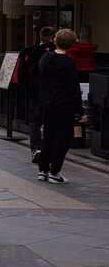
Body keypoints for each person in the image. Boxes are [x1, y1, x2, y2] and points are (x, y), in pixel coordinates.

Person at [36, 28, 84, 184]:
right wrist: (80, 111)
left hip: (47, 105)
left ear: (55, 40)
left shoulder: (45, 58)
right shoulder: (68, 63)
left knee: (48, 137)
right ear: (71, 44)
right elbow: (74, 89)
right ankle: (55, 172)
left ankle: (43, 170)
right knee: (62, 140)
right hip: (64, 107)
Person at [18, 26, 55, 163]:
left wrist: (28, 86)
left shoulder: (29, 52)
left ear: (40, 37)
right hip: (53, 93)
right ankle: (48, 149)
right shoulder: (57, 53)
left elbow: (21, 74)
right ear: (53, 38)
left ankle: (36, 149)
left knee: (35, 121)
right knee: (51, 121)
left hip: (35, 91)